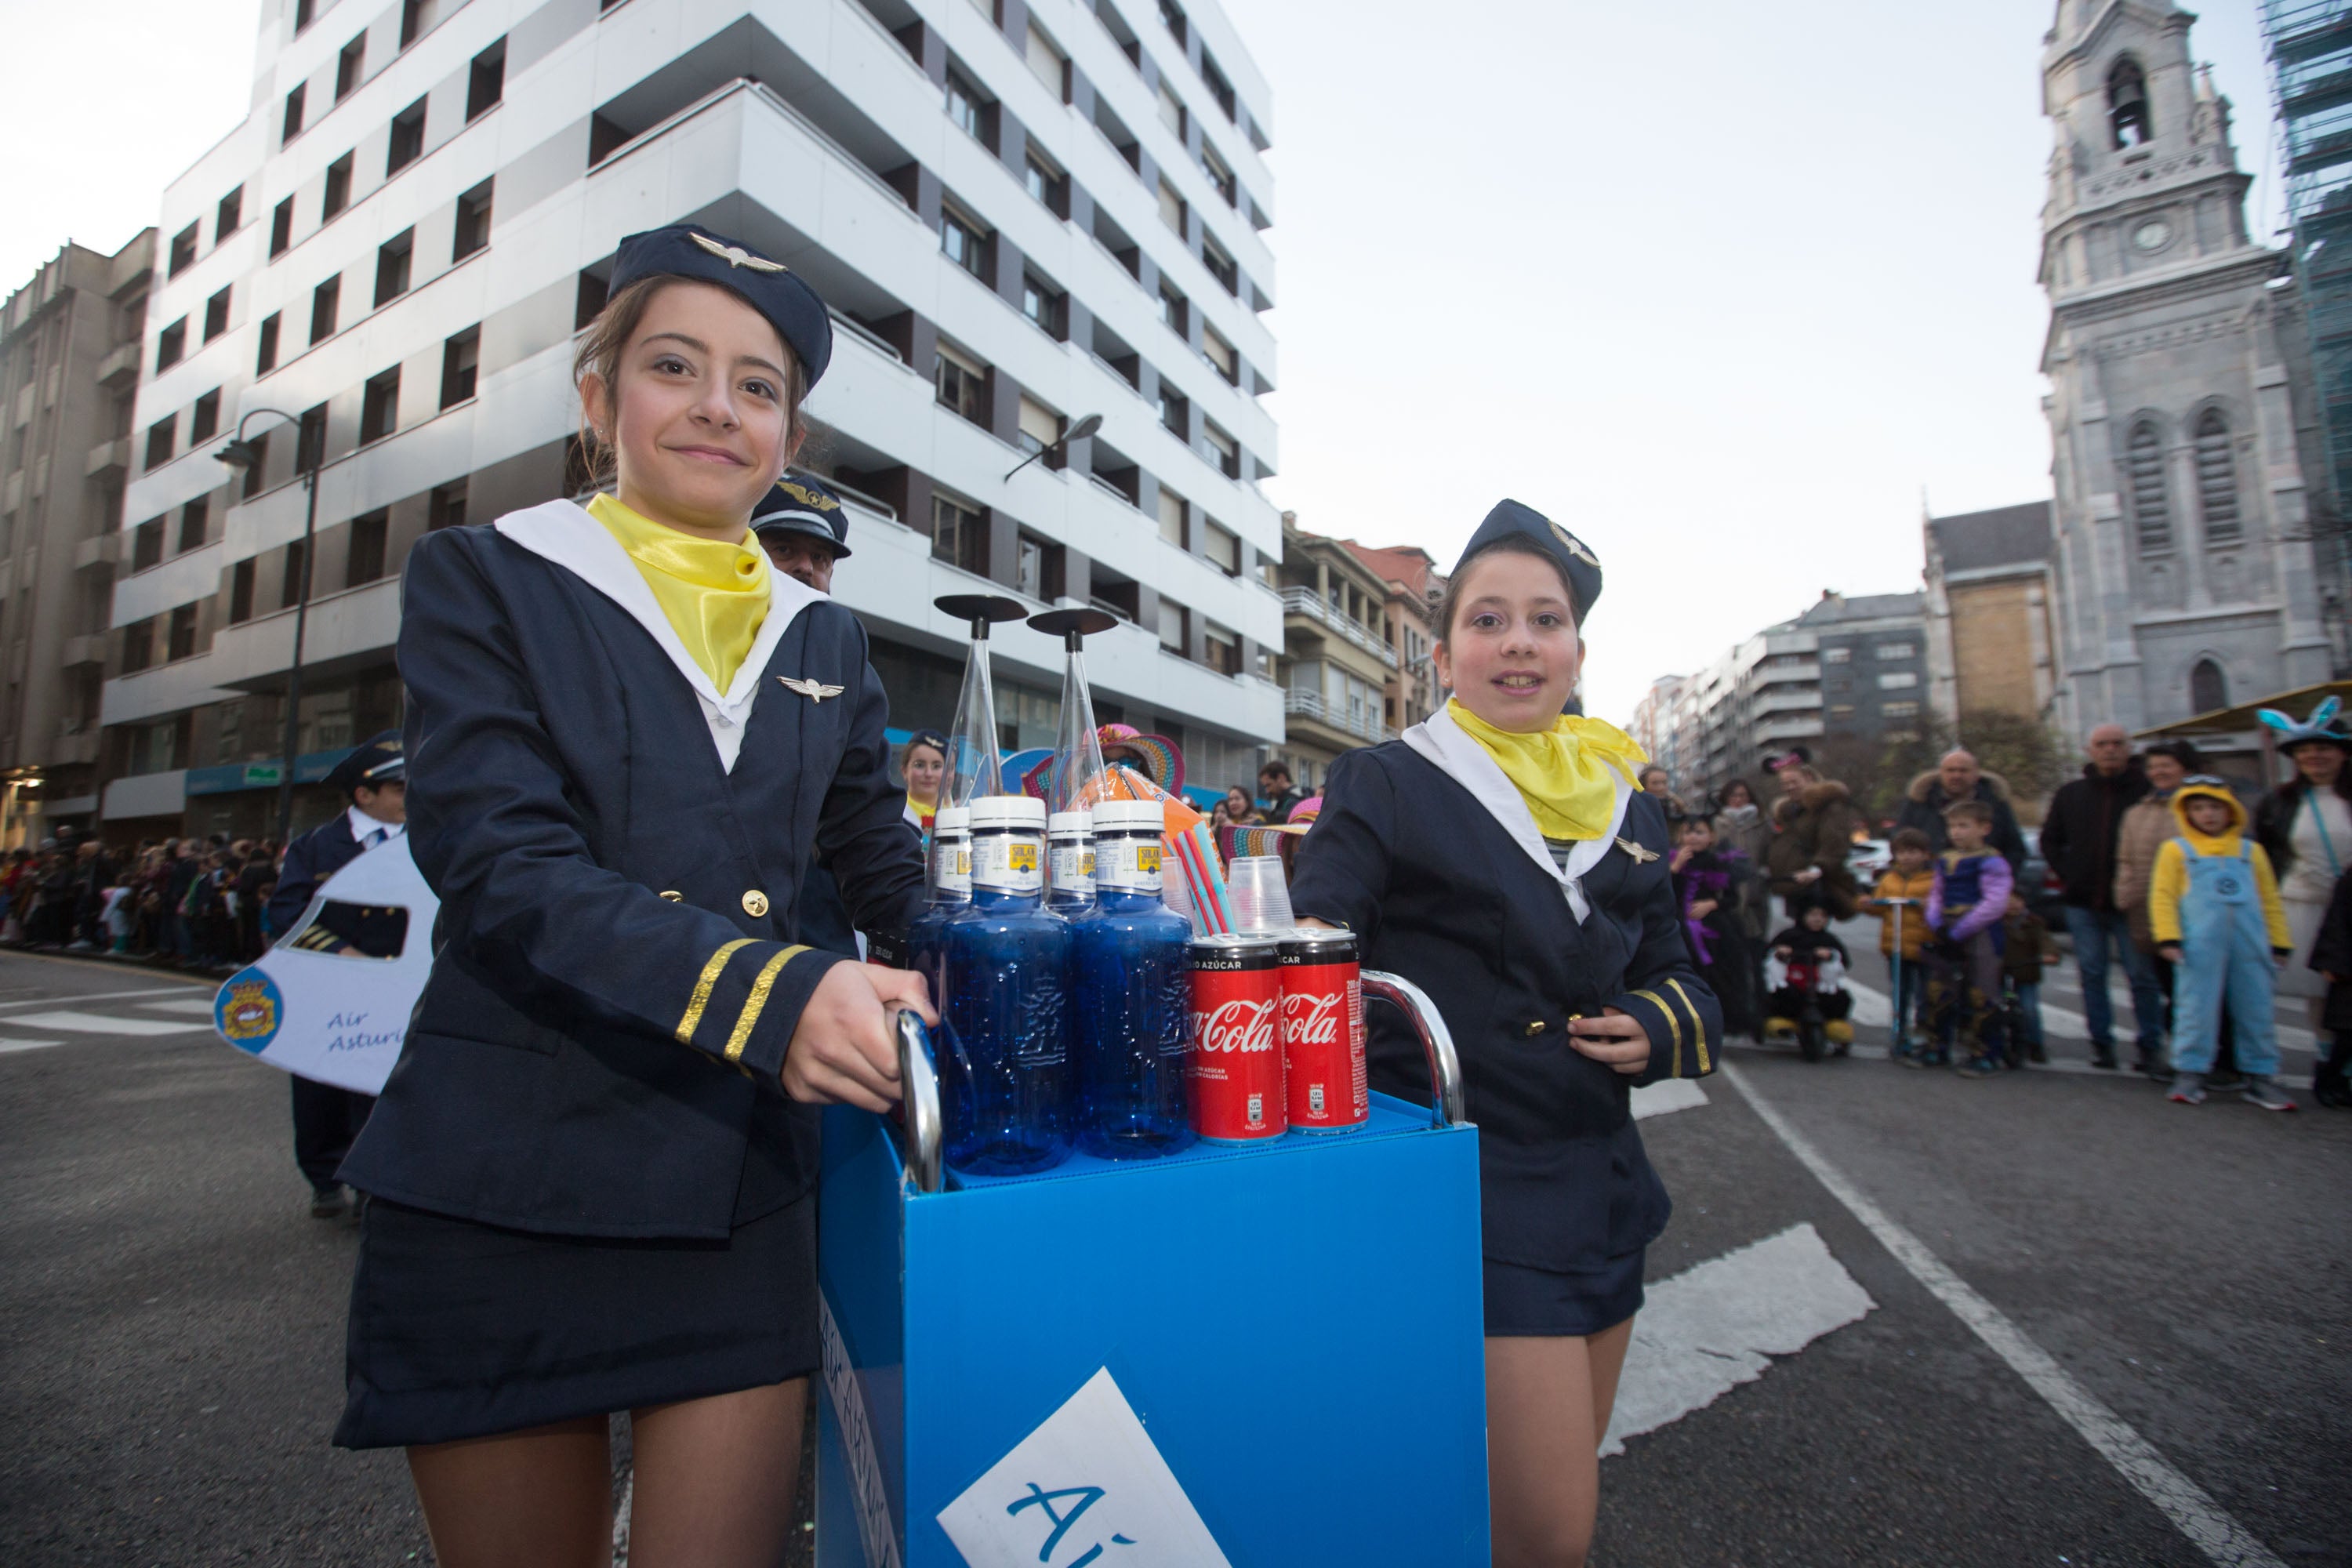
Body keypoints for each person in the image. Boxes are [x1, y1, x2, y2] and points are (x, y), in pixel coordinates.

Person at [330, 223, 932, 1565]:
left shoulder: (822, 631)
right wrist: (779, 998)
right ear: (599, 400)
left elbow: (876, 858)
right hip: (501, 1171)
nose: (720, 404)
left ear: (788, 437)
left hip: (734, 1189)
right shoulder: (487, 575)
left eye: (760, 385)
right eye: (676, 366)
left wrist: (1028, 955)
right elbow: (500, 866)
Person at [1288, 499, 1719, 1568]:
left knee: (1529, 1507)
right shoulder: (1385, 781)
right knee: (1549, 1538)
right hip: (1474, 1185)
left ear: (1577, 650)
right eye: (1489, 621)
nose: (1519, 642)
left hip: (1607, 1180)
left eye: (1545, 619)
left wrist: (1661, 1024)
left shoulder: (1626, 800)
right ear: (1444, 656)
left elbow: (1684, 977)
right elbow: (1317, 942)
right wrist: (1295, 934)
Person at [266, 732, 408, 1218]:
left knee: (380, 1085)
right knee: (319, 1090)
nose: (410, 798)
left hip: (396, 989)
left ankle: (373, 1178)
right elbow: (287, 914)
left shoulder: (424, 844)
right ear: (364, 795)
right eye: (400, 789)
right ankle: (325, 1178)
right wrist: (342, 952)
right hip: (327, 988)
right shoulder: (316, 847)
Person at [750, 470, 867, 962]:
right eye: (785, 550)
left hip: (816, 940)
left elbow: (864, 817)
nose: (806, 568)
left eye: (820, 558)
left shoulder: (843, 647)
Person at [2152, 780, 2295, 1110]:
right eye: (2199, 808)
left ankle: (2261, 1076)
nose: (2208, 815)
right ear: (2187, 814)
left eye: (2215, 807)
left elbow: (2269, 898)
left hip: (2250, 944)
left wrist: (2279, 941)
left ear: (2230, 811)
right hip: (2198, 944)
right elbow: (2163, 897)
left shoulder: (2250, 852)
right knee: (2194, 1008)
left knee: (2255, 1008)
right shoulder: (2177, 850)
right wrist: (2168, 937)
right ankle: (2189, 1071)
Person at [2041, 722, 2162, 1072]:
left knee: (2142, 977)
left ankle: (2150, 1046)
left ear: (2129, 748)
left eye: (2116, 743)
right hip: (2082, 901)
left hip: (2133, 901)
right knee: (2092, 974)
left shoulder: (2147, 791)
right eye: (2101, 744)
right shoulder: (2072, 793)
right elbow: (2051, 839)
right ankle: (2101, 1044)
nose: (2109, 750)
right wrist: (2068, 873)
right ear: (2089, 750)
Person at [2252, 699, 2352, 1058]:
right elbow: (2264, 855)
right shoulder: (2279, 802)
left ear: (2342, 753)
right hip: (2304, 904)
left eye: (2323, 748)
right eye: (2305, 750)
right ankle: (2332, 1060)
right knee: (2320, 991)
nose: (2314, 756)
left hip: (2348, 907)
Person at [2114, 739, 2207, 1080]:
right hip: (2150, 909)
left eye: (2167, 765)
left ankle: (2211, 1055)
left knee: (2200, 986)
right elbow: (2125, 858)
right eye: (2153, 767)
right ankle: (2179, 1053)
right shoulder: (2139, 811)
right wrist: (2125, 894)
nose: (2159, 772)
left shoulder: (2204, 806)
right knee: (2166, 983)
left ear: (2187, 768)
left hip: (2199, 907)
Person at [1924, 800, 2015, 1079]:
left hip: (1980, 930)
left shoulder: (1992, 862)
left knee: (1983, 991)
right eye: (1952, 826)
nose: (1957, 832)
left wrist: (1961, 930)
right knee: (1941, 988)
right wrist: (1936, 922)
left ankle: (1987, 1051)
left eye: (1964, 825)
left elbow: (1996, 903)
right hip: (1948, 928)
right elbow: (1936, 895)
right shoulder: (1946, 860)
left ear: (1984, 828)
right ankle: (1938, 1044)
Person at [1670, 814, 1757, 1039]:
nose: (1693, 837)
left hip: (1711, 924)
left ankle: (1720, 1017)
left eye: (1699, 832)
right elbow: (1663, 890)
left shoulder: (1717, 861)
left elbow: (1731, 899)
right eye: (1688, 833)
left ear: (1711, 837)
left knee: (1719, 971)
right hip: (1678, 922)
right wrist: (1676, 867)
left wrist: (1711, 903)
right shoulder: (1671, 858)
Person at [1762, 750, 1861, 921]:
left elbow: (1834, 842)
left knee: (1813, 932)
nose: (1789, 787)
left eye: (1794, 782)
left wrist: (1817, 869)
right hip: (1793, 884)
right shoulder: (1789, 812)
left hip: (1813, 883)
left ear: (1808, 778)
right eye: (1785, 784)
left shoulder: (1828, 806)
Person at [1864, 827, 1937, 1057]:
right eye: (1902, 852)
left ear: (1925, 854)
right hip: (1895, 946)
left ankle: (1925, 1032)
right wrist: (1868, 903)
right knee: (1900, 991)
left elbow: (1940, 906)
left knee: (1925, 992)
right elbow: (1879, 906)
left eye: (1913, 852)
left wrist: (1929, 906)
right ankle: (1899, 1031)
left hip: (1924, 944)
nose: (1906, 857)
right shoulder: (1889, 879)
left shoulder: (1933, 879)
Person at [1896, 748, 2027, 869]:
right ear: (1941, 773)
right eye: (1950, 770)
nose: (1957, 776)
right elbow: (1899, 841)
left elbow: (2015, 849)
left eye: (1963, 770)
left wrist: (1999, 878)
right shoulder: (1920, 802)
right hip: (1927, 884)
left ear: (1976, 774)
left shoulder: (1995, 803)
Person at [1763, 898, 1853, 1050]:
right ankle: (1783, 1023)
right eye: (1813, 915)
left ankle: (1834, 1028)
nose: (1817, 919)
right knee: (1779, 996)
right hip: (1794, 984)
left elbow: (1844, 961)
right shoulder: (1789, 935)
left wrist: (1830, 956)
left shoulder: (1829, 939)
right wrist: (1781, 953)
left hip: (1819, 987)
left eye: (1822, 916)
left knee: (1841, 998)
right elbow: (1768, 956)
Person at [2302, 865, 2352, 1107]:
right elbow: (2337, 921)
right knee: (2346, 1033)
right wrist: (2334, 962)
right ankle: (2329, 1077)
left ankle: (2339, 1079)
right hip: (2348, 970)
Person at [2002, 891, 2059, 1065]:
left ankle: (2035, 1044)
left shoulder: (2034, 923)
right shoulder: (1994, 923)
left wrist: (2049, 954)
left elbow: (2046, 942)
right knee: (1991, 1005)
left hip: (2026, 972)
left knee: (2029, 1009)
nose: (2012, 905)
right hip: (2001, 972)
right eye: (2007, 900)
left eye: (2016, 900)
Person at [898, 729, 949, 834]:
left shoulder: (959, 815)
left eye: (937, 766)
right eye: (919, 765)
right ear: (904, 771)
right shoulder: (892, 817)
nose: (929, 774)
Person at [1258, 758, 1306, 825]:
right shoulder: (1294, 797)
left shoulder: (1293, 800)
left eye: (1268, 785)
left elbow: (1284, 826)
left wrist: (1259, 823)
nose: (1267, 791)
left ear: (1281, 778)